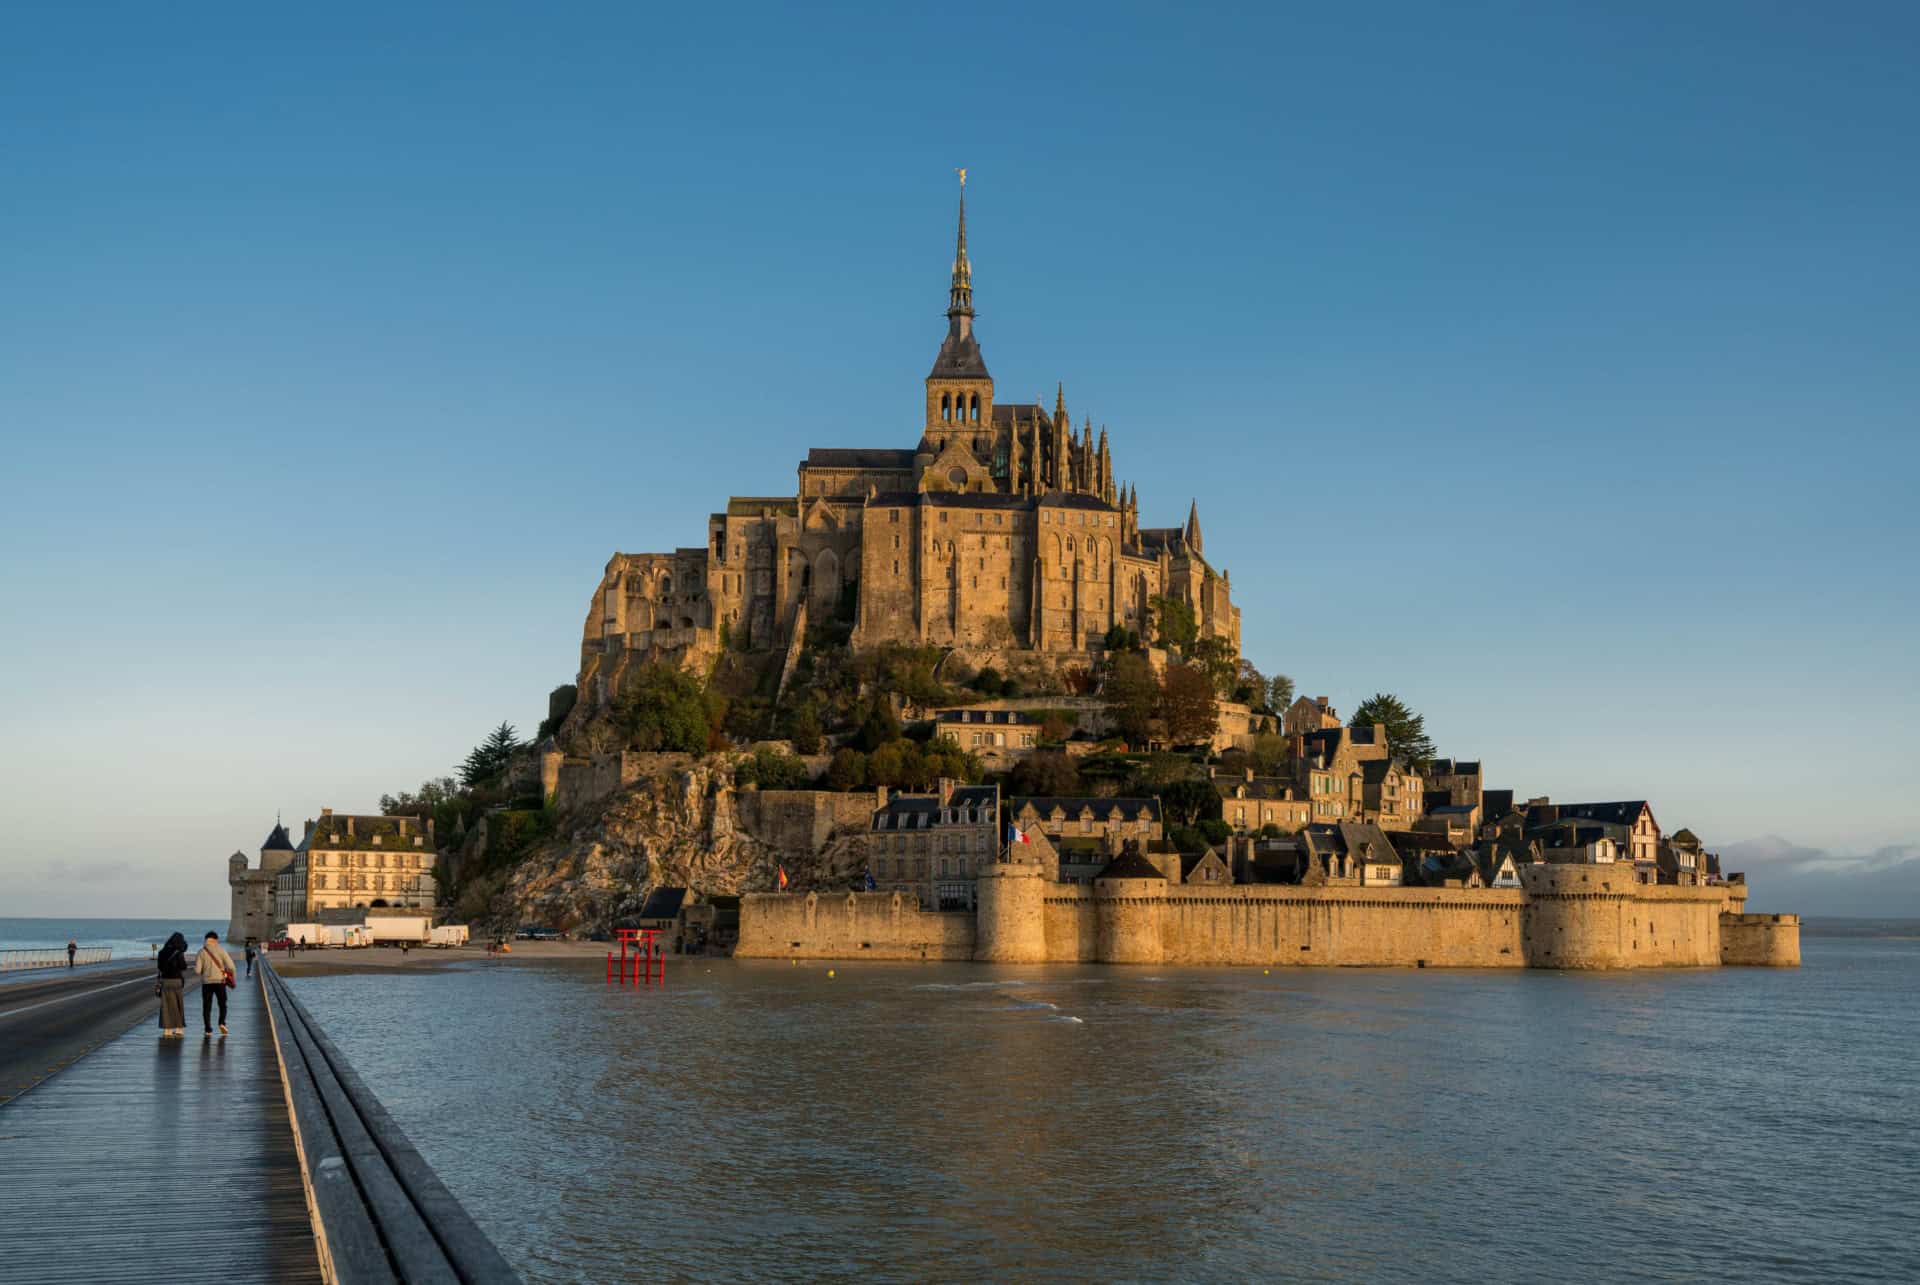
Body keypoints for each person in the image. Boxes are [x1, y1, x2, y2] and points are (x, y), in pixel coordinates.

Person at [195, 931, 236, 1036]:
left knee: (207, 1006)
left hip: (206, 983)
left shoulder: (201, 952)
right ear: (215, 940)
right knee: (222, 1004)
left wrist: (205, 971)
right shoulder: (221, 950)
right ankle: (222, 1023)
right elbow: (231, 966)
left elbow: (197, 971)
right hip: (220, 982)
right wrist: (230, 976)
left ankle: (208, 1029)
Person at [156, 932, 189, 1036]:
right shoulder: (179, 952)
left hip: (166, 981)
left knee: (166, 1005)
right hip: (177, 981)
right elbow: (183, 966)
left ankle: (167, 1030)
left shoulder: (162, 952)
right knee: (178, 1004)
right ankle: (179, 1028)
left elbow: (160, 967)